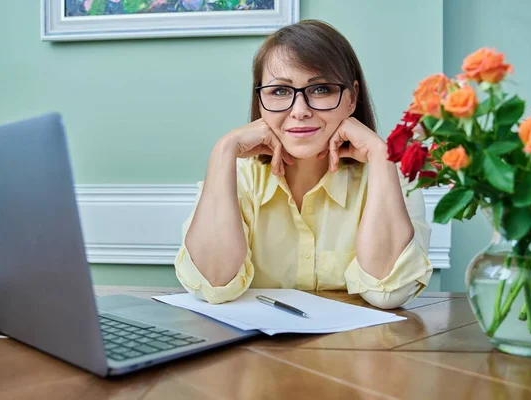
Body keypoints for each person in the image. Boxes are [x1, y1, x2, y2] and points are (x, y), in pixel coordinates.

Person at [174, 20, 432, 309]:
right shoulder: (237, 178)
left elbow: (389, 292)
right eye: (280, 92)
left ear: (352, 98)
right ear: (259, 101)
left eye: (321, 89)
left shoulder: (390, 176)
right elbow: (213, 283)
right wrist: (224, 151)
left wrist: (380, 154)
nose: (300, 111)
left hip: (359, 349)